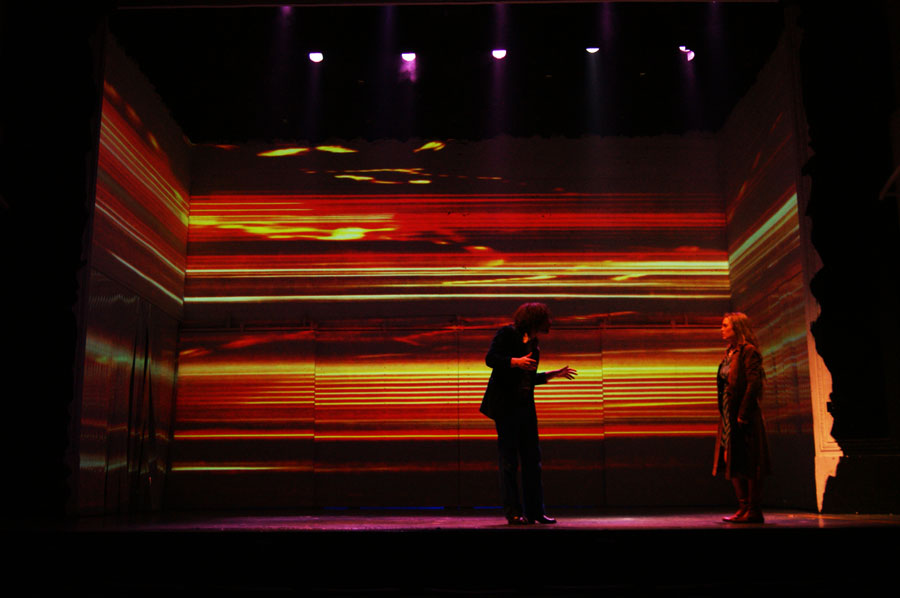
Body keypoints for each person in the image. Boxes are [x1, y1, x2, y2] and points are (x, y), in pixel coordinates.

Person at [480, 302, 577, 525]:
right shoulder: (507, 334)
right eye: (546, 318)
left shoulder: (534, 344)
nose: (550, 322)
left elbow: (528, 378)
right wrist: (515, 361)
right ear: (535, 319)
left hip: (525, 408)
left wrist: (551, 375)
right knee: (509, 462)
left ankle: (535, 512)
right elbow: (491, 359)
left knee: (533, 461)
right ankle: (513, 512)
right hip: (506, 408)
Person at [714, 312, 771, 523]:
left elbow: (753, 383)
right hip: (728, 413)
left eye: (725, 325)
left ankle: (753, 510)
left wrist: (744, 413)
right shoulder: (729, 353)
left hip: (742, 413)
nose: (721, 329)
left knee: (749, 459)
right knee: (730, 457)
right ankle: (743, 506)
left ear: (736, 328)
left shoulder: (748, 351)